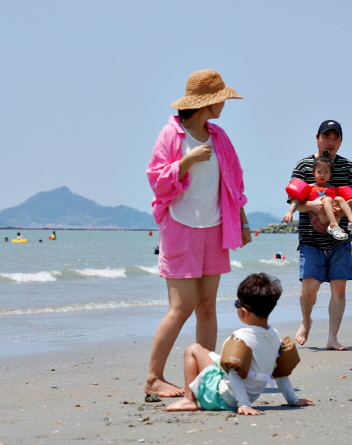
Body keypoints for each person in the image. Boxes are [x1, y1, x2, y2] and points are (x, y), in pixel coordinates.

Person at [145, 69, 251, 397]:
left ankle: (205, 380)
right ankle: (153, 378)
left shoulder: (219, 137)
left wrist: (243, 222)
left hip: (217, 227)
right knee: (182, 306)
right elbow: (157, 181)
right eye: (221, 99)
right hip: (180, 227)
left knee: (207, 305)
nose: (224, 105)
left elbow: (234, 185)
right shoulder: (171, 135)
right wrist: (186, 161)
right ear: (207, 102)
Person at [165, 273, 313, 414]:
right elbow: (280, 373)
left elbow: (234, 374)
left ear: (243, 312)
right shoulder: (275, 338)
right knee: (211, 355)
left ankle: (189, 399)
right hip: (249, 395)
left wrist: (243, 404)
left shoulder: (240, 338)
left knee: (193, 349)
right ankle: (198, 396)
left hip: (219, 399)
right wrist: (292, 400)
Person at [287, 120, 352, 351]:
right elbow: (294, 203)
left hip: (340, 239)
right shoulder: (303, 166)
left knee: (339, 288)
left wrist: (347, 207)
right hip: (311, 238)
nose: (330, 142)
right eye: (326, 137)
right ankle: (306, 320)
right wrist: (313, 205)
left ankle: (332, 338)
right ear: (317, 138)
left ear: (340, 141)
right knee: (309, 289)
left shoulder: (348, 167)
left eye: (335, 138)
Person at [283, 155, 352, 240]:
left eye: (326, 172)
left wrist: (350, 202)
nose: (322, 175)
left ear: (330, 174)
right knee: (327, 199)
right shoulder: (308, 188)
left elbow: (339, 203)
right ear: (313, 172)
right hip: (318, 221)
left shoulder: (333, 188)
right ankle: (333, 226)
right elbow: (296, 200)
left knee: (339, 199)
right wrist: (290, 212)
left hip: (335, 219)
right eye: (319, 172)